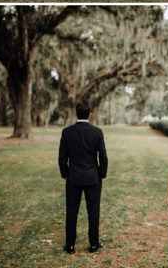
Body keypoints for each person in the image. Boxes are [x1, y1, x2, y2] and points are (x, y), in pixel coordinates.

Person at [58, 102, 108, 254]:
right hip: (93, 178)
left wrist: (66, 174)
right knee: (93, 211)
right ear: (90, 114)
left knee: (71, 211)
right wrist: (101, 174)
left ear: (76, 114)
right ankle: (93, 244)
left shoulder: (67, 132)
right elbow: (103, 158)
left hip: (73, 178)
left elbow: (62, 158)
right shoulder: (97, 132)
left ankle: (70, 245)